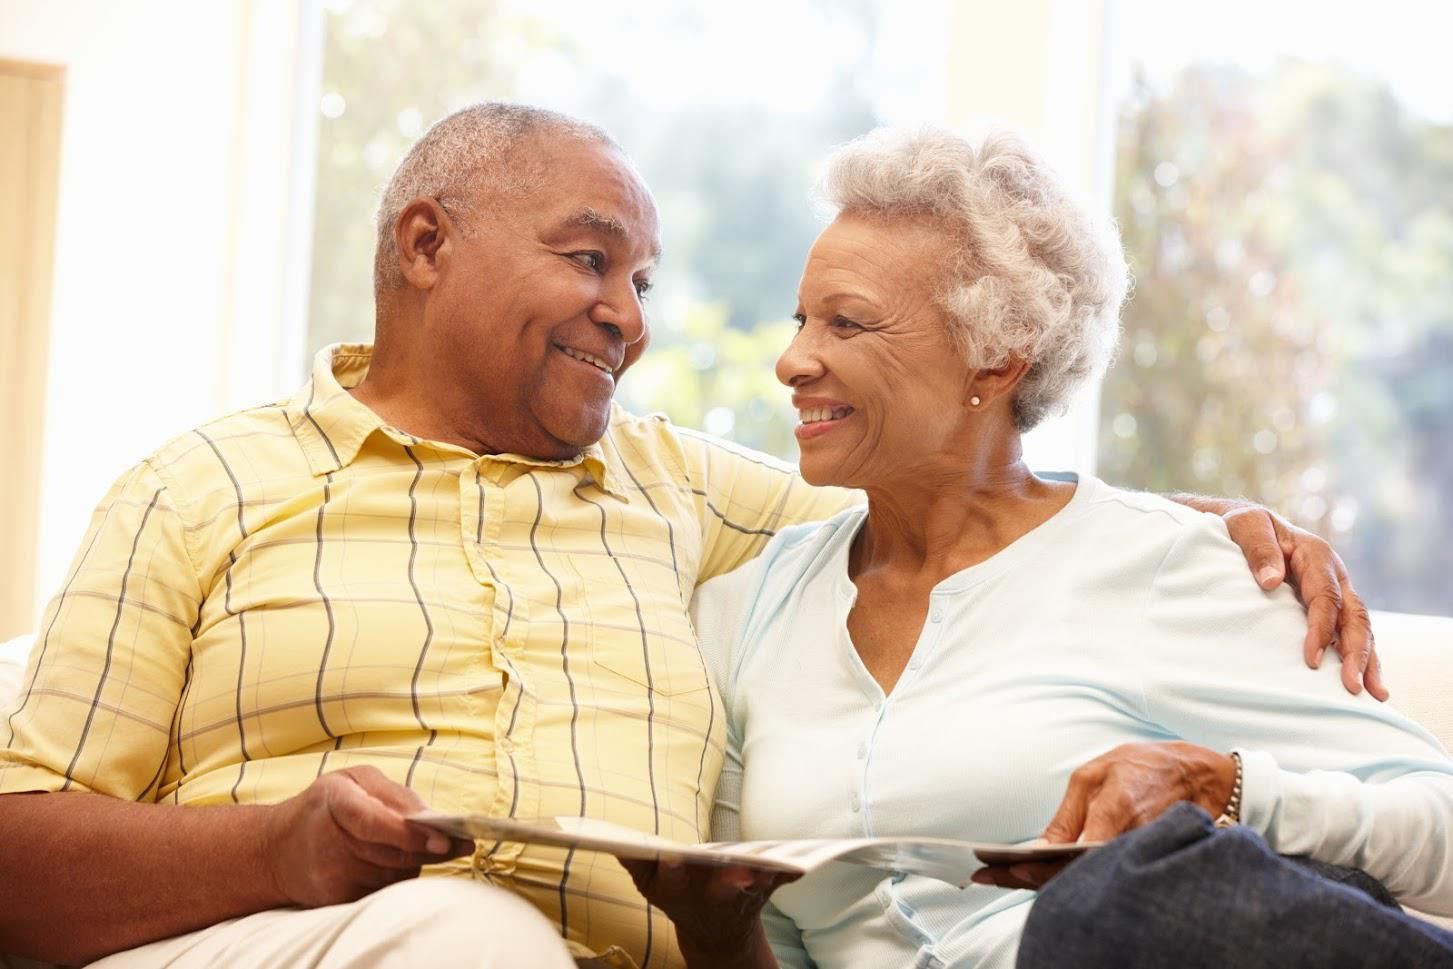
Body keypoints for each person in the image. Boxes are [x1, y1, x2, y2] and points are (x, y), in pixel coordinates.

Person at [0, 104, 1384, 969]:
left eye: (643, 280)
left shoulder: (688, 496)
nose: (631, 314)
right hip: (298, 934)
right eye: (590, 258)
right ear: (424, 243)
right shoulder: (206, 488)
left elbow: (961, 501)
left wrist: (1205, 522)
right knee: (469, 938)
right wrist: (271, 851)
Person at [622, 125, 1453, 968]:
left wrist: (1227, 787)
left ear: (994, 361)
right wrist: (714, 931)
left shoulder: (1163, 565)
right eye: (802, 319)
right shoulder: (750, 606)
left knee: (1105, 907)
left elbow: (1441, 824)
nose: (792, 360)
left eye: (849, 324)